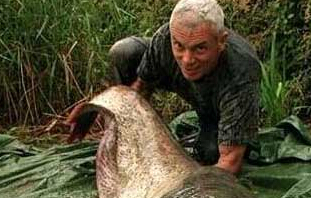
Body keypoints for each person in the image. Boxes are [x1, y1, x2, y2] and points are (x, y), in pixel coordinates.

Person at [69, 0, 261, 174]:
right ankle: (127, 139)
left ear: (221, 42)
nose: (187, 60)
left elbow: (229, 161)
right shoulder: (164, 39)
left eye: (199, 48)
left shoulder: (242, 71)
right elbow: (139, 89)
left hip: (217, 108)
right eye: (179, 46)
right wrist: (102, 107)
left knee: (209, 153)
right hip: (187, 86)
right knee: (125, 52)